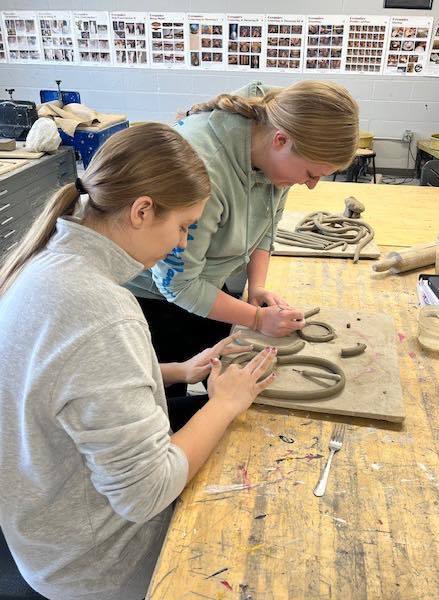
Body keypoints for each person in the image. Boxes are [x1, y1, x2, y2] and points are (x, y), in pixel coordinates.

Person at [0, 124, 276, 600]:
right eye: (184, 226)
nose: (181, 244)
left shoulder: (48, 255)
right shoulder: (100, 311)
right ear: (142, 210)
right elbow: (144, 493)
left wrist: (175, 371)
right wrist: (223, 404)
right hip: (94, 565)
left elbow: (62, 390)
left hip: (45, 530)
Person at [127, 80, 359, 396]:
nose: (312, 185)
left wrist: (258, 288)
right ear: (281, 140)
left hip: (204, 284)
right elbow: (177, 285)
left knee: (217, 367)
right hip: (151, 301)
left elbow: (267, 226)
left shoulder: (273, 148)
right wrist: (258, 318)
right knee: (165, 397)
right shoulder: (203, 169)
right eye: (310, 174)